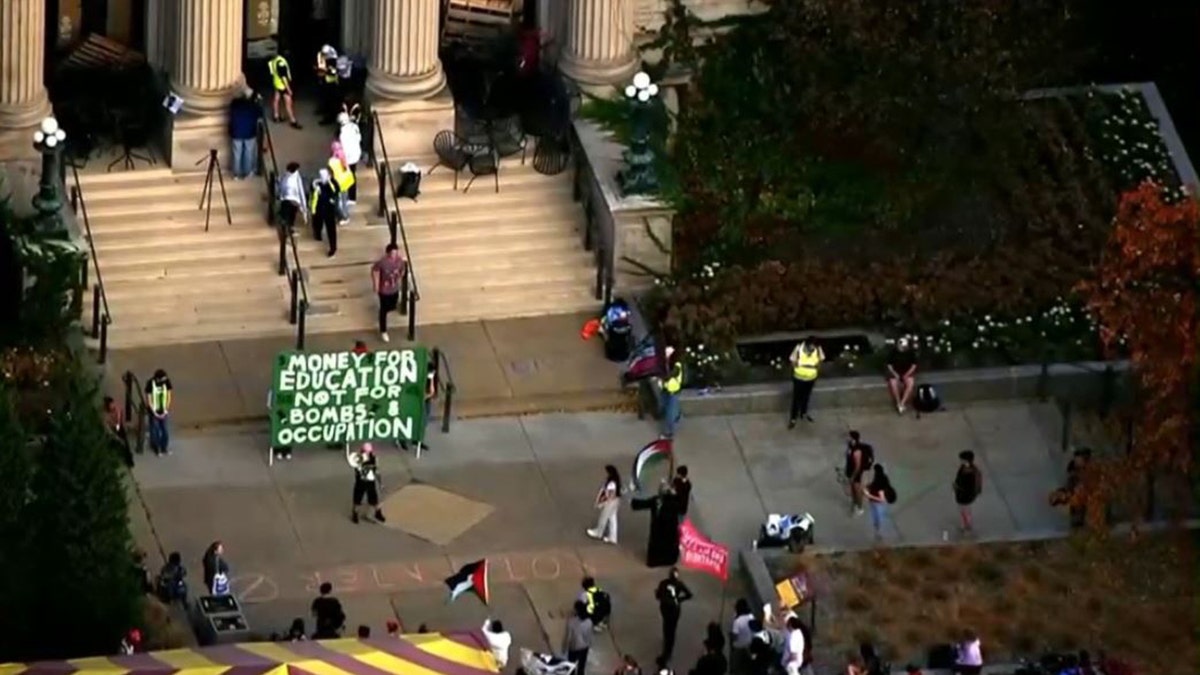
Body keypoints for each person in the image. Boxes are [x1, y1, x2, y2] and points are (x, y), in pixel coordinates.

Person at [631, 482, 685, 567]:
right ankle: (668, 560)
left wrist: (633, 502)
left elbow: (644, 503)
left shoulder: (657, 500)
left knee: (657, 545)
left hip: (658, 529)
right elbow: (681, 507)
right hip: (669, 530)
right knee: (668, 545)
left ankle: (655, 561)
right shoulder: (673, 502)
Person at [655, 567, 694, 665]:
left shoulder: (663, 583)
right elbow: (689, 595)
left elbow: (658, 596)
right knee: (671, 629)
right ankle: (668, 648)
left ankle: (666, 652)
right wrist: (679, 599)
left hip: (666, 609)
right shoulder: (679, 584)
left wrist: (659, 594)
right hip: (675, 610)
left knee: (667, 628)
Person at [371, 244, 407, 342]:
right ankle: (383, 330)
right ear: (388, 253)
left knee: (392, 305)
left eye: (396, 252)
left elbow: (402, 269)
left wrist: (400, 276)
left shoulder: (400, 261)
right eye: (392, 253)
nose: (394, 255)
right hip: (384, 289)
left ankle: (388, 309)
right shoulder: (383, 262)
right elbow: (374, 270)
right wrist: (376, 284)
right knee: (383, 309)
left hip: (394, 288)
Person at [788, 337, 824, 427]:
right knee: (796, 399)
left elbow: (821, 359)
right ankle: (793, 418)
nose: (813, 348)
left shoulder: (818, 349)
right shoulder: (799, 348)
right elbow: (792, 361)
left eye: (814, 347)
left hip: (811, 378)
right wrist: (798, 367)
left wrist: (816, 368)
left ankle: (803, 413)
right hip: (799, 378)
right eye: (812, 346)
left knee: (806, 397)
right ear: (807, 344)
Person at [228, 87, 261, 180]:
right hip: (249, 132)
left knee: (236, 154)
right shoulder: (253, 106)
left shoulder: (234, 104)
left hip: (236, 132)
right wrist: (258, 101)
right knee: (248, 153)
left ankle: (236, 174)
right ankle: (247, 173)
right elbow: (260, 114)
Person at [349, 442, 386, 523]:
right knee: (357, 500)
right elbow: (356, 470)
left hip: (370, 482)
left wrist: (380, 483)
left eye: (368, 452)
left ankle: (378, 513)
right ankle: (355, 514)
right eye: (366, 451)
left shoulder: (374, 459)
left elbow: (377, 471)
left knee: (374, 499)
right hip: (360, 482)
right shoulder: (357, 459)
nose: (367, 453)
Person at [587, 464, 622, 544]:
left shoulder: (611, 483)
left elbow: (610, 495)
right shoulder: (616, 481)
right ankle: (613, 537)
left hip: (610, 502)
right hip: (616, 501)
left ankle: (598, 532)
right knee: (612, 519)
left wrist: (602, 501)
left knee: (604, 517)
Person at [309, 168, 340, 257]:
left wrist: (320, 192)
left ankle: (333, 248)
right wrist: (314, 187)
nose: (322, 178)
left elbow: (335, 191)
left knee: (331, 229)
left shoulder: (332, 184)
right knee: (317, 222)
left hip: (329, 210)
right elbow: (312, 190)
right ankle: (317, 234)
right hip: (318, 208)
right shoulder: (316, 183)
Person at [267, 50, 301, 128]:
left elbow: (272, 73)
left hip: (276, 83)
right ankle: (293, 121)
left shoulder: (273, 61)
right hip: (283, 86)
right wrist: (288, 89)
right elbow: (284, 77)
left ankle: (276, 116)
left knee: (276, 99)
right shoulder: (281, 62)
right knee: (288, 104)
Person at [843, 431, 873, 516]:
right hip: (850, 471)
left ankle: (859, 508)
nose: (846, 438)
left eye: (848, 437)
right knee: (853, 490)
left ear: (853, 439)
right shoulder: (850, 446)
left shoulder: (857, 451)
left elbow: (858, 466)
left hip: (856, 474)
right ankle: (854, 503)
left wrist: (853, 477)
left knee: (857, 490)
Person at [953, 450, 983, 535]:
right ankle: (965, 525)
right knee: (963, 510)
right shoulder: (964, 467)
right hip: (961, 494)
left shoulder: (970, 472)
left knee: (965, 510)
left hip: (966, 495)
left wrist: (958, 487)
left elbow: (968, 486)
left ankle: (967, 526)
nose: (961, 461)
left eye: (962, 459)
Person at [886, 337, 918, 414]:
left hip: (907, 372)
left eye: (904, 346)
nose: (903, 348)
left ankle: (902, 403)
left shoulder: (910, 352)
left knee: (910, 383)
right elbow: (889, 365)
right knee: (893, 383)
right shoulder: (893, 352)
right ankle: (898, 403)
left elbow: (914, 365)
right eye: (901, 346)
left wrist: (907, 374)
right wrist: (895, 374)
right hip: (895, 372)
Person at [144, 369, 173, 456]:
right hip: (154, 412)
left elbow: (169, 395)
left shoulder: (167, 382)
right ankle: (156, 448)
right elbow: (149, 399)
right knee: (155, 430)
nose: (165, 380)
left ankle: (164, 448)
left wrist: (166, 410)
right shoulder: (150, 383)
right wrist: (154, 412)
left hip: (163, 410)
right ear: (158, 379)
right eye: (163, 379)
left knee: (165, 430)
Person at [337, 112, 362, 204]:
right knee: (352, 174)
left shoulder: (342, 133)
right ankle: (351, 197)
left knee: (348, 176)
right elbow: (359, 138)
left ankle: (350, 197)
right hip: (356, 154)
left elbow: (343, 147)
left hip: (348, 157)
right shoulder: (355, 127)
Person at [865, 464, 896, 540]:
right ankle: (877, 530)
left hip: (876, 503)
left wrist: (869, 495)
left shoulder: (880, 486)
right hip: (874, 502)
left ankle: (878, 531)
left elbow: (881, 499)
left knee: (877, 517)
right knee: (876, 516)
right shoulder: (882, 478)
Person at [563, 601, 594, 675]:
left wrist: (564, 648)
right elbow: (589, 636)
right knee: (581, 667)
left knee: (571, 667)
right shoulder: (589, 622)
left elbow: (568, 637)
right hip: (584, 647)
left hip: (574, 647)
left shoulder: (571, 622)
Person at [659, 346, 684, 439]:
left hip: (673, 391)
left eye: (669, 352)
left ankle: (669, 433)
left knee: (670, 413)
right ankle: (677, 416)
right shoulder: (666, 362)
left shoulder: (676, 365)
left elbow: (669, 375)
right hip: (666, 389)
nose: (667, 353)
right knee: (665, 406)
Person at [328, 141, 355, 223]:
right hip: (345, 182)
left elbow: (331, 173)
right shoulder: (343, 158)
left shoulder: (331, 161)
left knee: (338, 202)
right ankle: (346, 215)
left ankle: (343, 217)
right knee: (344, 200)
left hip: (337, 184)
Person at [103, 395, 134, 467]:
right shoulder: (106, 414)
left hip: (119, 427)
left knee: (124, 443)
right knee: (112, 444)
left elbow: (119, 420)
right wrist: (113, 434)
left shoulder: (117, 409)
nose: (112, 406)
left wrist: (118, 429)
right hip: (111, 429)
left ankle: (129, 460)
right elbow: (106, 425)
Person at [315, 44, 340, 125]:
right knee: (324, 98)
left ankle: (329, 118)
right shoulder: (326, 58)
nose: (324, 56)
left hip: (332, 83)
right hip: (326, 81)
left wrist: (325, 70)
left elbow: (334, 72)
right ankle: (324, 111)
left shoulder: (334, 60)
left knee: (330, 102)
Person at [278, 162, 307, 231]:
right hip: (292, 201)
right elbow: (301, 192)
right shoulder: (294, 177)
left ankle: (286, 225)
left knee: (286, 215)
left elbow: (282, 188)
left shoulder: (287, 177)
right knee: (290, 216)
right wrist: (303, 207)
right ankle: (289, 226)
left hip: (289, 200)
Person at [729, 599, 755, 673]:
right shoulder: (751, 617)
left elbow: (735, 636)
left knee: (735, 663)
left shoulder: (737, 621)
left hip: (738, 645)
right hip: (749, 643)